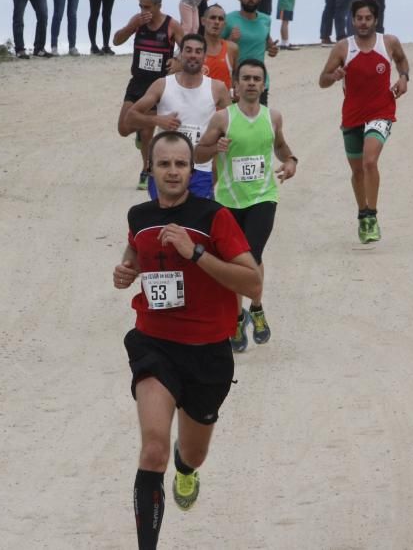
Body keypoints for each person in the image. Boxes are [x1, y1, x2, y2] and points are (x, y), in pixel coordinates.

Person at [112, 129, 261, 550]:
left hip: (208, 353)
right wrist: (127, 271)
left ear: (191, 168)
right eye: (164, 164)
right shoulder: (138, 216)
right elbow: (136, 252)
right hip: (154, 344)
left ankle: (186, 468)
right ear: (151, 168)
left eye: (180, 164)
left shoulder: (215, 217)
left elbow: (253, 283)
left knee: (188, 454)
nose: (172, 171)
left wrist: (195, 252)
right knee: (153, 449)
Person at [196, 58, 297, 352]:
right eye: (246, 79)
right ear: (236, 86)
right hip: (228, 200)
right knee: (233, 262)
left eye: (256, 78)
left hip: (264, 197)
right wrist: (215, 148)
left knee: (251, 256)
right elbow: (198, 155)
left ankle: (256, 307)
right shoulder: (222, 119)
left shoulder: (273, 117)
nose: (251, 83)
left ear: (263, 85)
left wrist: (290, 160)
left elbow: (279, 144)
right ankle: (238, 316)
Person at [318, 0, 409, 244]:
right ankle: (362, 215)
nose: (363, 23)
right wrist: (334, 76)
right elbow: (322, 80)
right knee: (357, 171)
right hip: (352, 117)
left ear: (375, 20)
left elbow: (401, 59)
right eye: (359, 18)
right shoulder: (342, 48)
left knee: (370, 161)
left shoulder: (388, 42)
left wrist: (403, 77)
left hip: (381, 112)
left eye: (368, 18)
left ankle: (372, 214)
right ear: (352, 19)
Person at [124, 34, 230, 200]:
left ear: (204, 56)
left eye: (198, 51)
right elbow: (130, 117)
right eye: (188, 50)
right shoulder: (162, 84)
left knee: (197, 224)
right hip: (164, 167)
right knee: (164, 222)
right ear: (180, 55)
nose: (193, 55)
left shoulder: (217, 88)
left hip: (200, 169)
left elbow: (232, 126)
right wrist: (157, 120)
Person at [115, 0, 184, 190]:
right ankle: (140, 129)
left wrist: (178, 62)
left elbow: (188, 47)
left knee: (147, 134)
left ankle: (146, 170)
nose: (144, 11)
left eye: (147, 7)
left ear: (158, 6)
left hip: (158, 86)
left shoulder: (171, 25)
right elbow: (116, 40)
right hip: (137, 82)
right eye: (141, 7)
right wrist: (132, 26)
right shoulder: (137, 22)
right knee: (123, 128)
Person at [221, 0, 278, 104]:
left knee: (259, 123)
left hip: (260, 83)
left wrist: (272, 49)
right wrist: (230, 40)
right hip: (236, 83)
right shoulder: (228, 20)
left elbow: (266, 42)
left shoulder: (266, 20)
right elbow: (214, 48)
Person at [200, 5, 237, 91]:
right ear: (203, 21)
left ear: (224, 24)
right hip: (199, 103)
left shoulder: (232, 49)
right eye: (212, 18)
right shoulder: (193, 48)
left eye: (220, 19)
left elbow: (238, 77)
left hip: (225, 103)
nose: (216, 22)